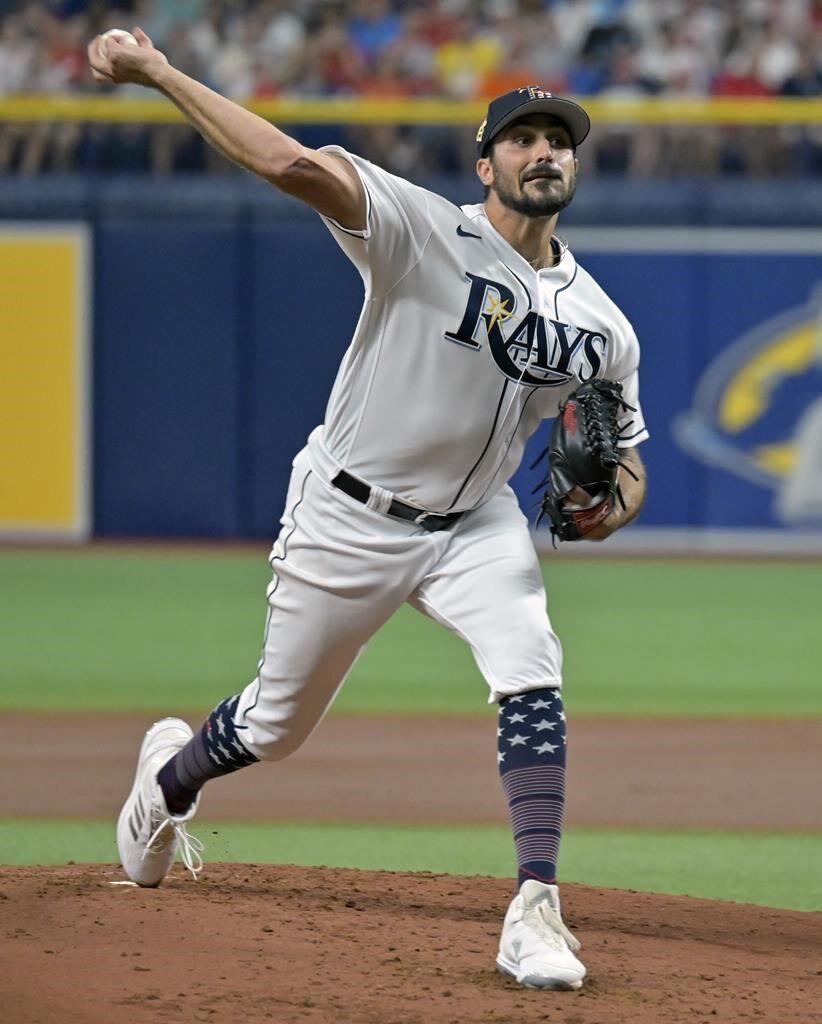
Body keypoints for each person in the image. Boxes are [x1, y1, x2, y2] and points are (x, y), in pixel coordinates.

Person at [88, 28, 648, 992]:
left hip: (476, 523)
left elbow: (626, 464)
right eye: (523, 138)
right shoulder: (421, 228)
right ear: (487, 162)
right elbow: (293, 163)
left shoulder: (601, 326)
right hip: (351, 513)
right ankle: (166, 782)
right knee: (275, 725)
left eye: (560, 139)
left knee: (530, 661)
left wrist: (609, 511)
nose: (545, 150)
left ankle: (536, 909)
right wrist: (159, 73)